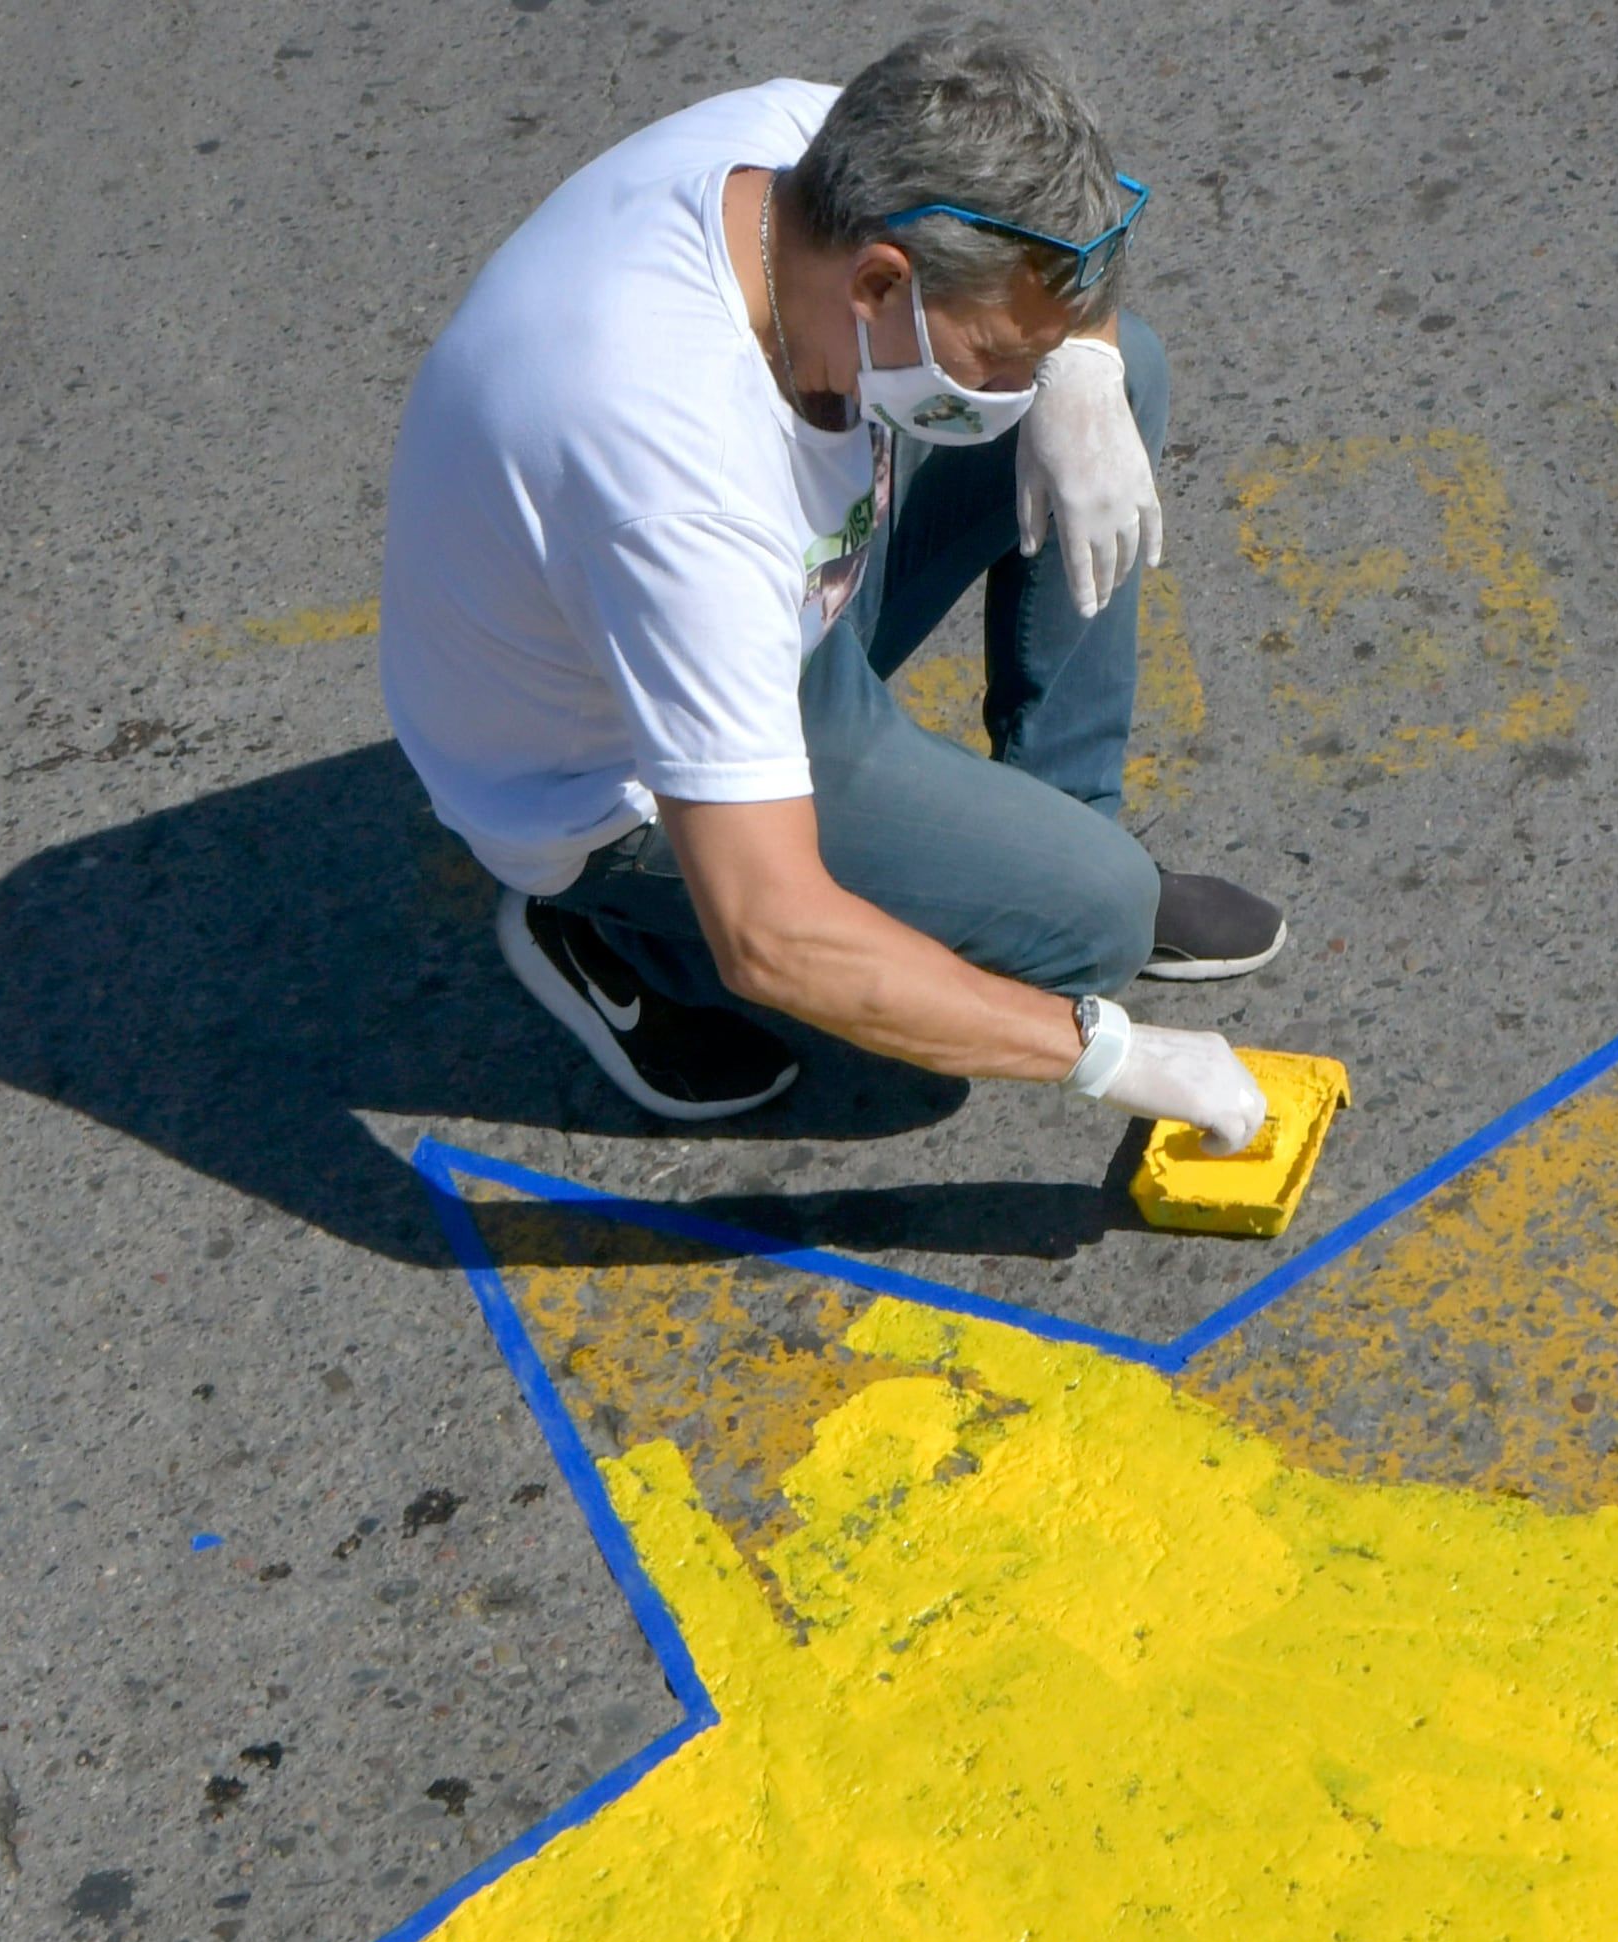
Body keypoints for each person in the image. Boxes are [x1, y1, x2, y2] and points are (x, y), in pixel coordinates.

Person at [376, 27, 1285, 1143]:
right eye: (998, 353)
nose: (1014, 381)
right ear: (879, 282)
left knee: (1117, 363)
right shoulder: (679, 480)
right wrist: (1106, 1052)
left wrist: (1078, 358)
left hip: (759, 604)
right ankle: (612, 930)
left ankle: (1052, 831)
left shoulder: (827, 153)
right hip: (615, 776)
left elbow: (1054, 279)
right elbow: (774, 932)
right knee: (1089, 926)